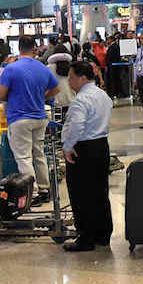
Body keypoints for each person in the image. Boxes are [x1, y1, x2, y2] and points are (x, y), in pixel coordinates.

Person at [0, 35, 59, 205]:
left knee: (24, 157)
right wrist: (41, 97)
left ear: (19, 49)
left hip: (19, 119)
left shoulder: (11, 69)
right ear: (35, 49)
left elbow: (1, 94)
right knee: (39, 153)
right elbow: (56, 88)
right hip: (40, 117)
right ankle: (45, 188)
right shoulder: (43, 68)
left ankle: (33, 193)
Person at [60, 61, 114, 252]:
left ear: (83, 78)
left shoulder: (81, 100)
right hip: (101, 146)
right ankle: (103, 234)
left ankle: (86, 237)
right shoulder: (103, 95)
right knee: (100, 192)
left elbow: (77, 126)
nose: (69, 81)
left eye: (72, 77)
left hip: (83, 148)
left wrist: (68, 146)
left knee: (81, 194)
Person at [47, 46, 76, 114]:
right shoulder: (73, 68)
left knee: (58, 123)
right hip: (72, 103)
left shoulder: (49, 68)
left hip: (57, 104)